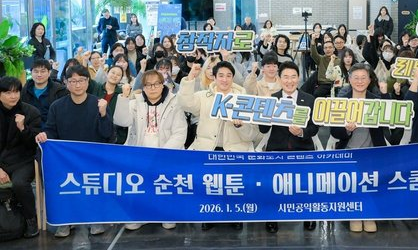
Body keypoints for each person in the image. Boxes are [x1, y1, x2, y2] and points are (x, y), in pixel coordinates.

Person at [178, 61, 260, 231]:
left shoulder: (244, 100)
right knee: (211, 185)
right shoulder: (203, 96)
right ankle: (210, 216)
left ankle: (235, 215)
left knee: (233, 185)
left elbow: (252, 135)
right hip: (208, 149)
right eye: (221, 75)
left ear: (233, 78)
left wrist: (241, 126)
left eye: (229, 75)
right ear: (214, 77)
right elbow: (185, 103)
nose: (225, 79)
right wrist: (190, 77)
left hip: (235, 150)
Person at [36, 64, 113, 238]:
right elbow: (51, 130)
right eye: (72, 81)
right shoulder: (57, 106)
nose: (77, 85)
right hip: (66, 160)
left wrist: (103, 114)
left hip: (93, 159)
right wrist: (44, 135)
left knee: (93, 183)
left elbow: (108, 134)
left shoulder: (99, 104)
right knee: (62, 181)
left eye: (81, 80)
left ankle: (95, 219)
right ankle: (66, 219)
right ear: (66, 82)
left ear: (88, 82)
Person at [330, 63, 403, 233]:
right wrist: (346, 130)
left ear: (370, 80)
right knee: (353, 183)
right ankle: (355, 214)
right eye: (356, 78)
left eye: (364, 78)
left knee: (371, 183)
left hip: (372, 150)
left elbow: (391, 119)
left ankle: (369, 214)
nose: (360, 81)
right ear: (349, 80)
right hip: (348, 151)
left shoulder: (376, 100)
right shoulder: (342, 102)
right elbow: (334, 131)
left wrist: (385, 95)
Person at [114, 70, 187, 231]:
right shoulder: (135, 103)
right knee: (142, 186)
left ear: (162, 85)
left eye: (156, 84)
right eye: (148, 85)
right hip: (141, 151)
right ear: (143, 87)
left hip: (166, 151)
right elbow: (121, 121)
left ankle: (167, 214)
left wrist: (163, 153)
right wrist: (124, 97)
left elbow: (180, 132)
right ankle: (141, 216)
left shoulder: (175, 103)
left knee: (164, 185)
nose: (152, 88)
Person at [259, 61, 318, 233]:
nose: (289, 81)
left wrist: (302, 132)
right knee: (272, 186)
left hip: (303, 149)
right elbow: (263, 129)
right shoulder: (272, 99)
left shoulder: (309, 99)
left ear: (298, 78)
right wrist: (266, 111)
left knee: (306, 185)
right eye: (285, 77)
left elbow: (314, 127)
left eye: (293, 77)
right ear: (279, 79)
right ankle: (272, 217)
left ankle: (308, 215)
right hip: (277, 149)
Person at [0, 76, 42, 238]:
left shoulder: (31, 112)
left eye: (16, 92)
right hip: (1, 162)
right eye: (8, 92)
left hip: (24, 160)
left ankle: (31, 219)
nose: (13, 96)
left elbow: (35, 144)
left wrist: (23, 128)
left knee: (19, 183)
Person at [21, 59, 69, 129]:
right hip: (30, 131)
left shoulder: (60, 91)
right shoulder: (24, 91)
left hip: (53, 131)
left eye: (43, 71)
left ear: (49, 73)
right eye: (36, 71)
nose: (39, 75)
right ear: (31, 73)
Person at [310, 31, 340, 97]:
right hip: (323, 84)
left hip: (336, 84)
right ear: (323, 50)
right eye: (325, 48)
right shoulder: (320, 59)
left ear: (334, 49)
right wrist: (313, 40)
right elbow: (313, 53)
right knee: (316, 94)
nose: (328, 49)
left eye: (330, 47)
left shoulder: (339, 61)